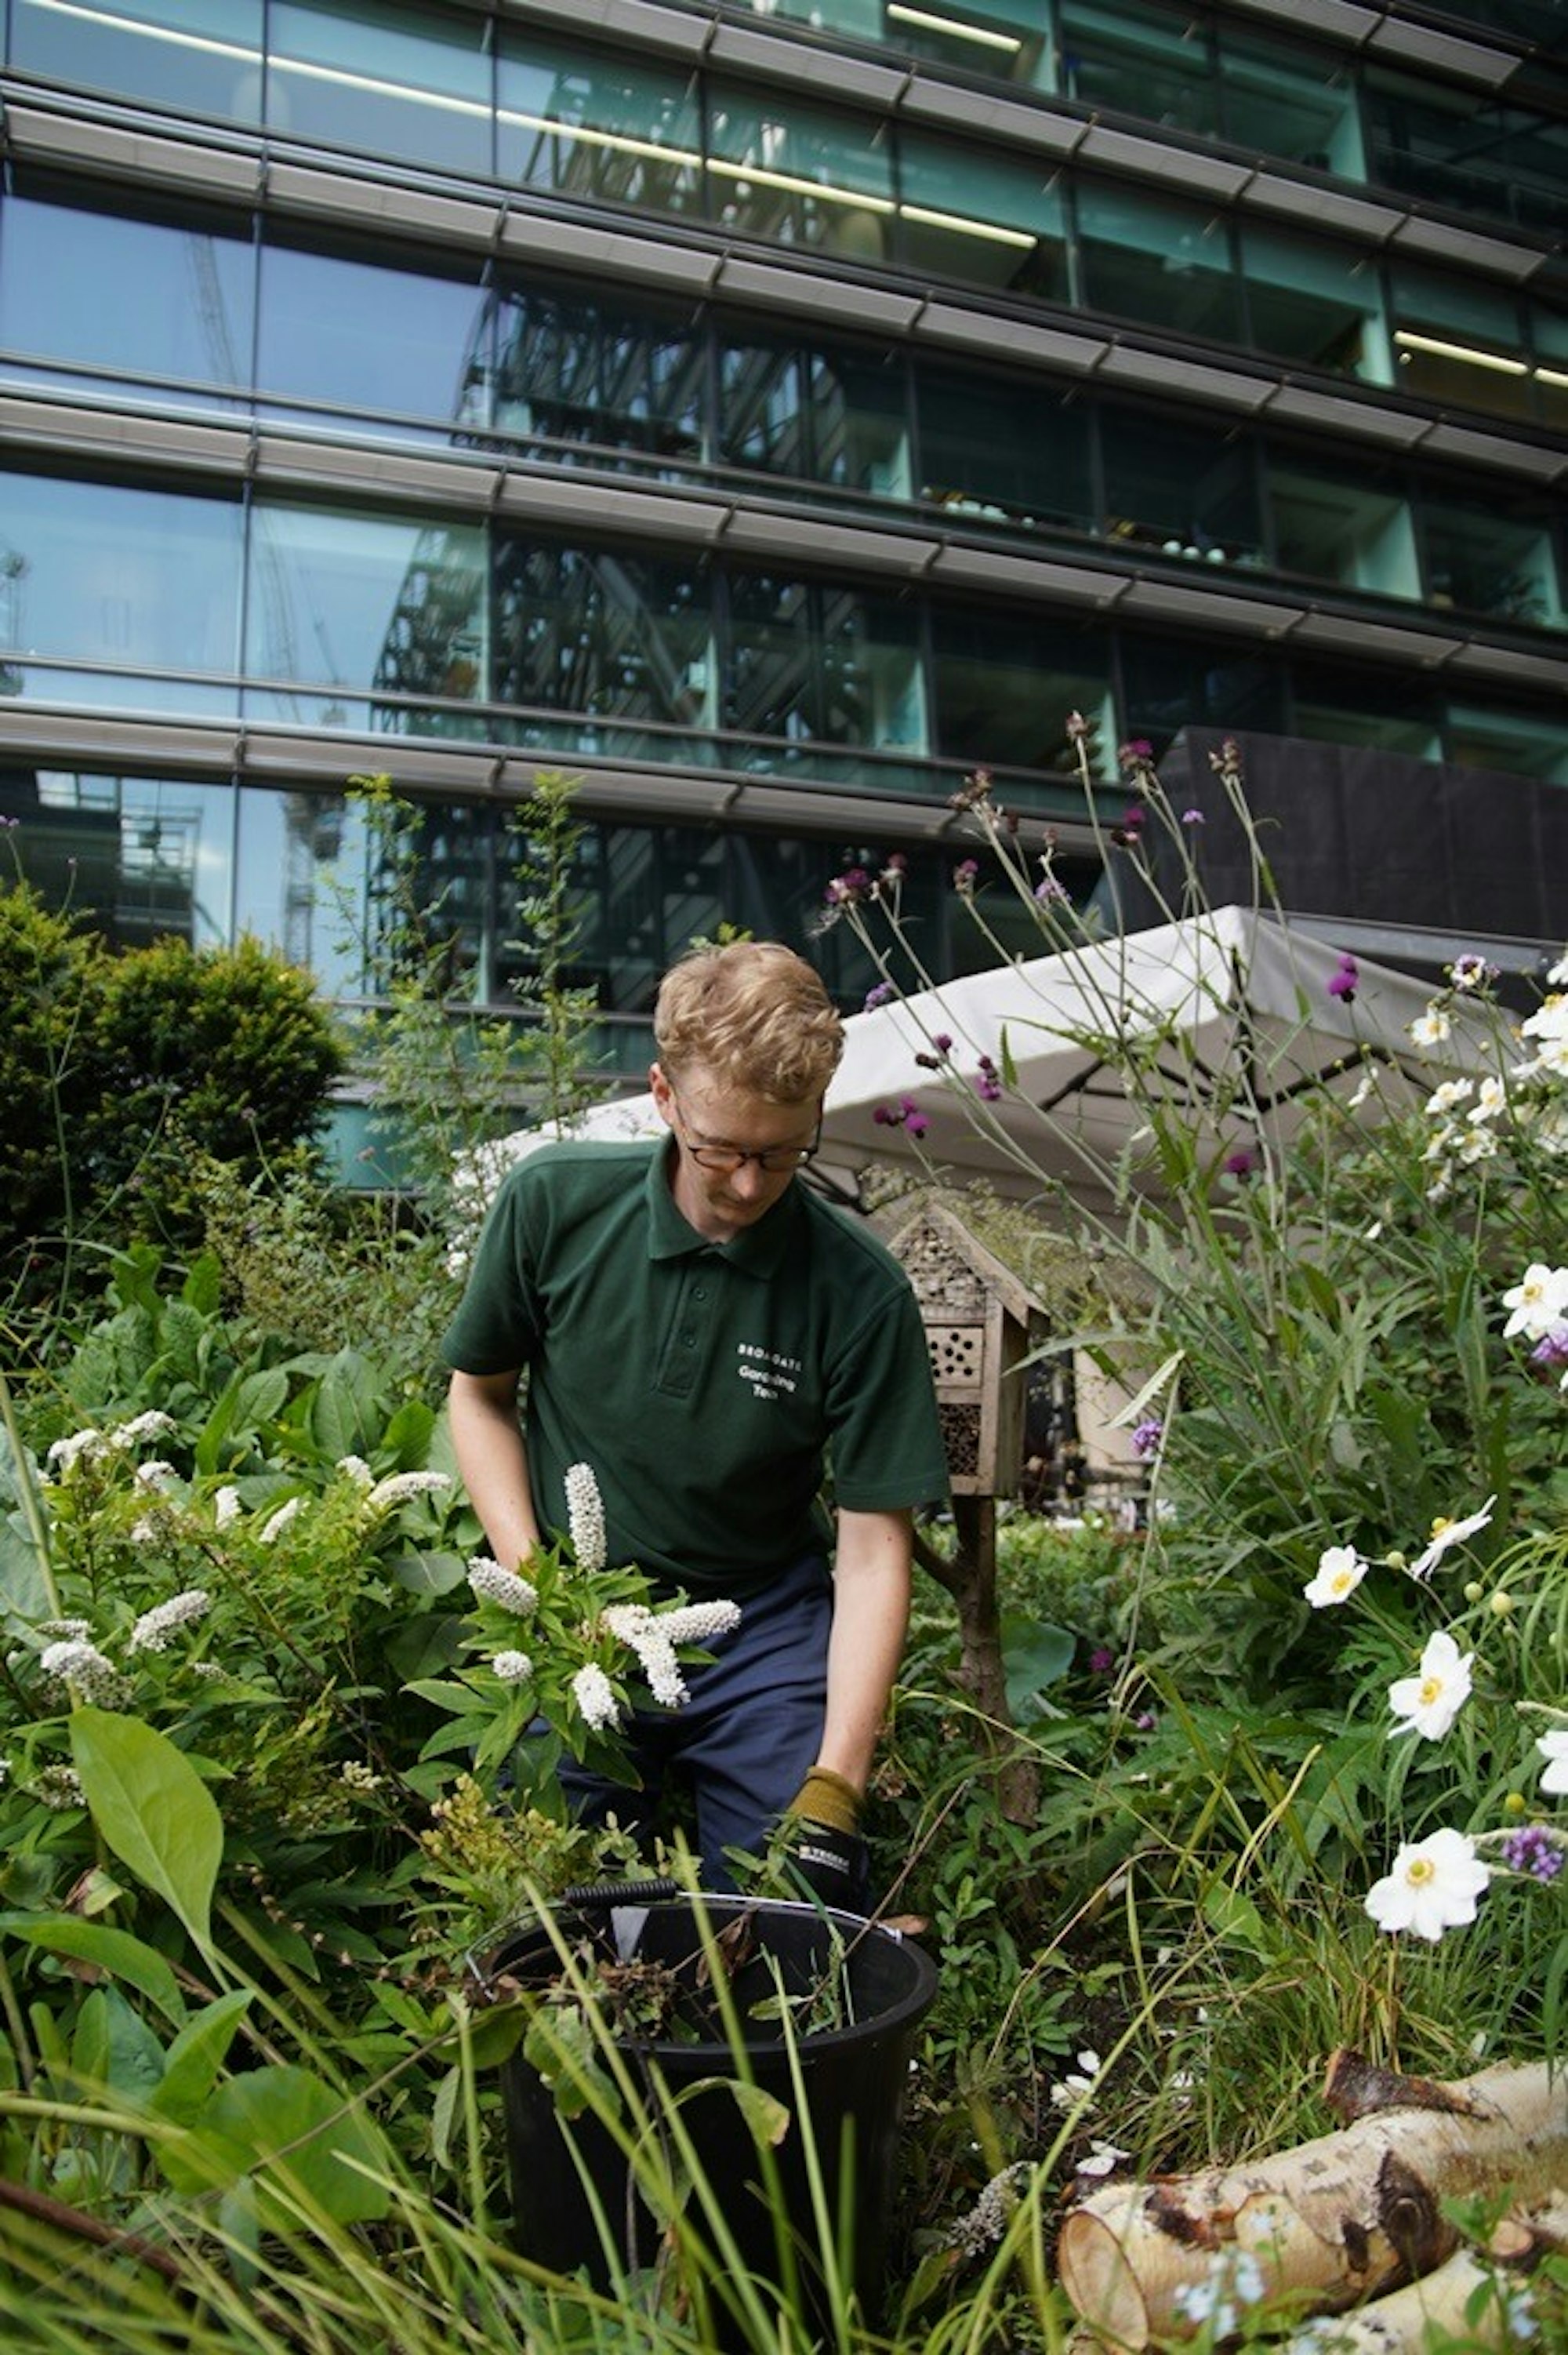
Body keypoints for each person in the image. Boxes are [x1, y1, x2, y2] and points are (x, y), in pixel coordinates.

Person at [442, 939, 949, 1904]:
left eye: (783, 1152)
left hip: (760, 1629)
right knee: (542, 1897)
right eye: (722, 1149)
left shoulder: (860, 1292)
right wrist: (532, 1582)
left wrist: (837, 1781)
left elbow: (876, 1549)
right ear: (664, 1098)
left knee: (797, 1906)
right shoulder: (552, 1204)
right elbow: (479, 1395)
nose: (751, 1186)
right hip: (575, 1608)